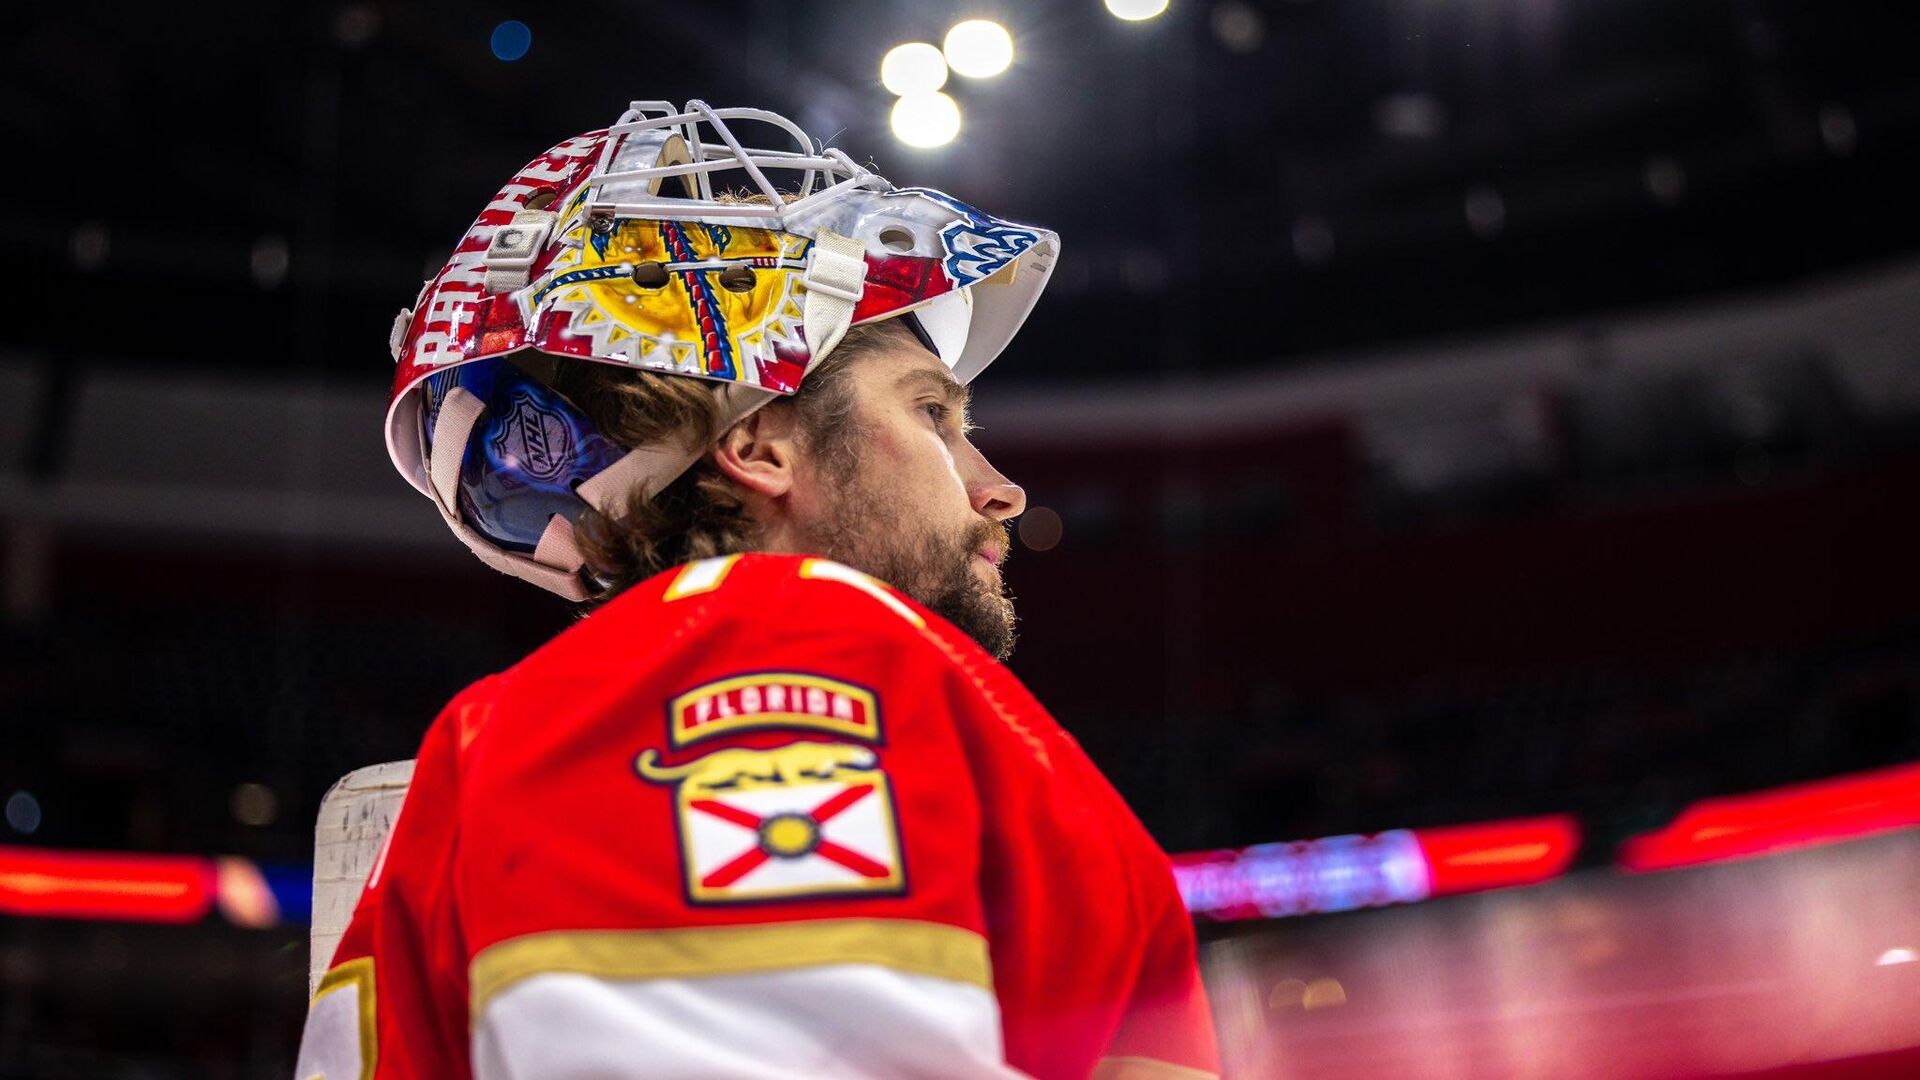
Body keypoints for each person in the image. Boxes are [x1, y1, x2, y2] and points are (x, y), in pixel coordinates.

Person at [295, 100, 1219, 1080]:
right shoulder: (805, 640)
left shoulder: (476, 756)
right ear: (758, 446)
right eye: (934, 414)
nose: (999, 490)